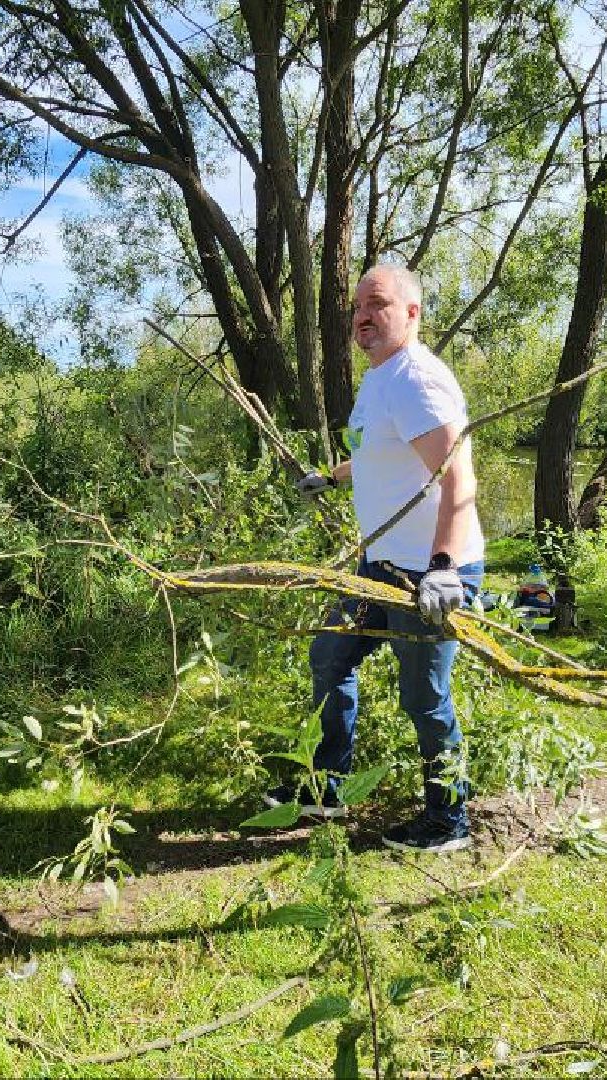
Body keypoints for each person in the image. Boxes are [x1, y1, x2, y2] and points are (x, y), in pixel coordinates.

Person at [268, 264, 487, 855]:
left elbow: (457, 479)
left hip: (430, 573)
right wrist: (331, 477)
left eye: (379, 303)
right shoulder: (380, 379)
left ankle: (448, 820)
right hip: (380, 566)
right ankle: (326, 787)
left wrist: (443, 566)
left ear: (412, 312)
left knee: (424, 697)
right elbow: (378, 456)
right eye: (358, 306)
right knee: (331, 655)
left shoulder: (417, 379)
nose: (363, 315)